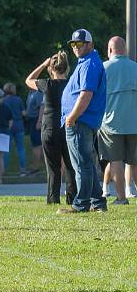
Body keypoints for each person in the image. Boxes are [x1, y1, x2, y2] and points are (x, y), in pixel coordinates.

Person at [57, 28, 107, 214]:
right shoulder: (85, 62)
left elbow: (86, 95)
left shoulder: (89, 64)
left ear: (90, 44)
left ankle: (81, 204)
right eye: (73, 44)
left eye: (80, 43)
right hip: (82, 120)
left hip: (80, 121)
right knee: (86, 163)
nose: (76, 47)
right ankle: (98, 203)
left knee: (82, 165)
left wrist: (71, 117)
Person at [26, 50, 77, 204]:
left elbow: (29, 80)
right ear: (66, 68)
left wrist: (43, 64)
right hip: (68, 126)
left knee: (53, 167)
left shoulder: (46, 84)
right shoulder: (71, 83)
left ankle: (53, 199)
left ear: (51, 69)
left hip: (49, 128)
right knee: (70, 166)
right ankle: (72, 198)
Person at [97, 36, 137, 205]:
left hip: (111, 123)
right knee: (135, 161)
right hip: (134, 122)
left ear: (110, 50)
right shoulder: (135, 67)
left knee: (115, 161)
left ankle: (121, 198)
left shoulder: (102, 68)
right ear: (125, 50)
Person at [2, 82, 27, 176]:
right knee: (20, 148)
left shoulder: (3, 100)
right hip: (19, 124)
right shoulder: (18, 100)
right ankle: (23, 170)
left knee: (6, 149)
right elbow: (23, 113)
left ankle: (3, 169)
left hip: (7, 125)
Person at [25, 87, 44, 174]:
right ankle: (36, 165)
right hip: (31, 120)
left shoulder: (38, 93)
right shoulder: (31, 93)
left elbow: (42, 106)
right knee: (35, 144)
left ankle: (36, 166)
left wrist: (39, 121)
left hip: (36, 119)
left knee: (37, 145)